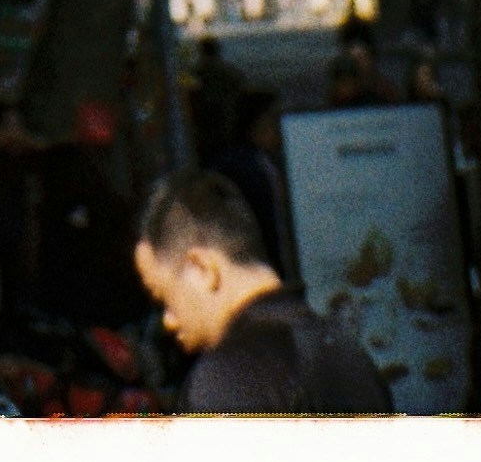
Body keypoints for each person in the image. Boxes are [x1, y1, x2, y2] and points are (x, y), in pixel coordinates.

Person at [132, 166, 394, 416]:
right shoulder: (352, 360)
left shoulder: (225, 381)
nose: (168, 320)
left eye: (164, 298)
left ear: (201, 268)